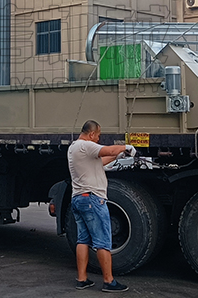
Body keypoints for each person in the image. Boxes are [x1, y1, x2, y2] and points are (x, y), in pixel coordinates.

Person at [67, 120, 135, 292]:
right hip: (93, 200)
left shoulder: (74, 147)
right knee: (103, 241)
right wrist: (126, 147)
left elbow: (101, 161)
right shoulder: (86, 145)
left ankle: (82, 279)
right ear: (91, 134)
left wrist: (118, 156)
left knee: (83, 240)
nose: (98, 139)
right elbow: (108, 150)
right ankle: (108, 281)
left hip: (79, 199)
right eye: (98, 135)